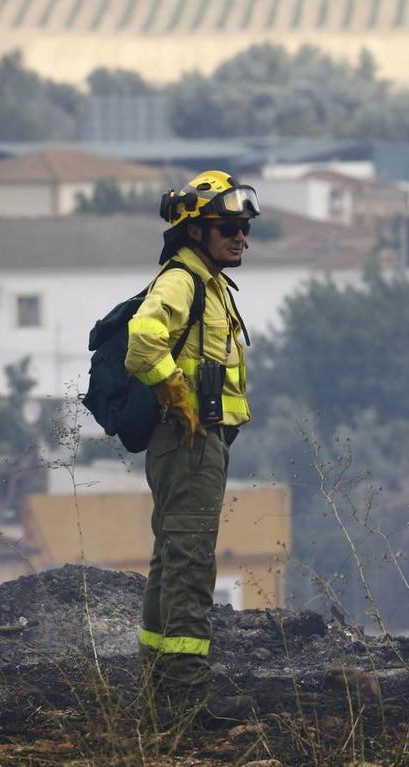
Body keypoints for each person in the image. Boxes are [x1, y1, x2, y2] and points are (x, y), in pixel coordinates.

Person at [123, 170, 259, 728]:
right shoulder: (183, 280)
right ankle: (184, 698)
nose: (241, 238)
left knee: (170, 558)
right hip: (188, 440)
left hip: (196, 439)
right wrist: (176, 396)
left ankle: (159, 689)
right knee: (189, 562)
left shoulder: (209, 280)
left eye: (244, 228)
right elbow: (141, 340)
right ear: (195, 232)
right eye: (228, 227)